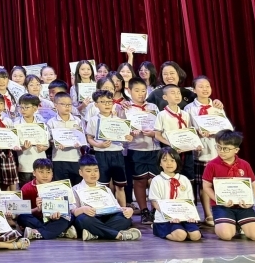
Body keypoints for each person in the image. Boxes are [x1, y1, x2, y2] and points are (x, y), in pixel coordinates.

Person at [201, 130, 255, 242]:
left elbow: (253, 185)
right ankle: (231, 223)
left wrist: (251, 201)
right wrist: (219, 200)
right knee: (226, 235)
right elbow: (206, 186)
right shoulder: (212, 165)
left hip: (242, 206)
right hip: (222, 206)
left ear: (236, 150)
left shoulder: (245, 164)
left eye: (226, 149)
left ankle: (238, 223)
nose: (221, 151)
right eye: (219, 147)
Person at [183, 75, 227, 225]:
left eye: (207, 86)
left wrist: (218, 132)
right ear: (194, 90)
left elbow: (225, 127)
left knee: (219, 183)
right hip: (200, 152)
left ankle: (221, 212)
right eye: (201, 87)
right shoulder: (189, 108)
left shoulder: (217, 106)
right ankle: (208, 215)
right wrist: (197, 132)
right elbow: (186, 129)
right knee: (204, 184)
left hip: (217, 151)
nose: (205, 89)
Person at [71, 155, 140, 241]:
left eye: (96, 170)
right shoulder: (75, 189)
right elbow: (73, 212)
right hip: (91, 219)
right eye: (88, 171)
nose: (93, 174)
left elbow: (116, 208)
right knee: (82, 219)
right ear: (80, 172)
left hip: (106, 218)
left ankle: (94, 234)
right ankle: (117, 235)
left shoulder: (105, 189)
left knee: (126, 218)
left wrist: (128, 210)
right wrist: (82, 209)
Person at [84, 90, 131, 208]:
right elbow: (89, 138)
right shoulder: (93, 120)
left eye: (109, 102)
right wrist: (99, 145)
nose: (107, 104)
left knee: (120, 186)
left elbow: (124, 138)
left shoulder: (119, 120)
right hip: (101, 154)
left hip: (117, 154)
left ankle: (122, 210)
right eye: (103, 102)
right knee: (102, 185)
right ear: (96, 104)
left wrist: (128, 138)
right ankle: (104, 211)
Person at [125, 77, 160, 225]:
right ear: (129, 91)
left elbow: (159, 126)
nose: (141, 94)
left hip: (154, 148)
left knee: (155, 181)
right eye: (137, 90)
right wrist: (130, 132)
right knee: (139, 181)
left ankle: (156, 210)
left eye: (143, 91)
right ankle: (144, 211)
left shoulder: (153, 107)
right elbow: (122, 128)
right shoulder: (126, 108)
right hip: (135, 148)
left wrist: (154, 133)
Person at [17, 158, 77, 240]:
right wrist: (37, 210)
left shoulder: (59, 187)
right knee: (23, 217)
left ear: (52, 174)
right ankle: (60, 232)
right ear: (34, 173)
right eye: (41, 172)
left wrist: (57, 214)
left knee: (70, 217)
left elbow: (67, 208)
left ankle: (37, 232)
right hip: (37, 219)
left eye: (48, 172)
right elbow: (21, 210)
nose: (45, 175)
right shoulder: (26, 188)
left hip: (55, 219)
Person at [149, 149, 201, 242]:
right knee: (180, 236)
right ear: (160, 163)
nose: (169, 163)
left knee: (196, 236)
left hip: (184, 216)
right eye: (165, 160)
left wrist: (191, 216)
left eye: (172, 160)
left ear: (177, 162)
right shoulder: (156, 180)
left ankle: (183, 229)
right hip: (165, 218)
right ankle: (158, 229)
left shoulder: (184, 179)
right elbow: (155, 202)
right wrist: (170, 216)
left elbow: (190, 201)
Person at [46, 92, 85, 185]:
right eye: (63, 104)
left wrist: (80, 143)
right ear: (56, 105)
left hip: (76, 158)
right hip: (59, 159)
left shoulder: (77, 121)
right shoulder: (51, 122)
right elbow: (49, 140)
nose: (67, 107)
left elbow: (82, 138)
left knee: (77, 186)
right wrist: (55, 143)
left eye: (69, 104)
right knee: (62, 187)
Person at [14, 94, 49, 186]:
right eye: (21, 107)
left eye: (26, 107)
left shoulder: (42, 125)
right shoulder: (16, 125)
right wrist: (23, 147)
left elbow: (47, 143)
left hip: (40, 163)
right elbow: (13, 145)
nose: (23, 110)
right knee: (26, 190)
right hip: (24, 164)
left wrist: (43, 148)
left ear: (35, 108)